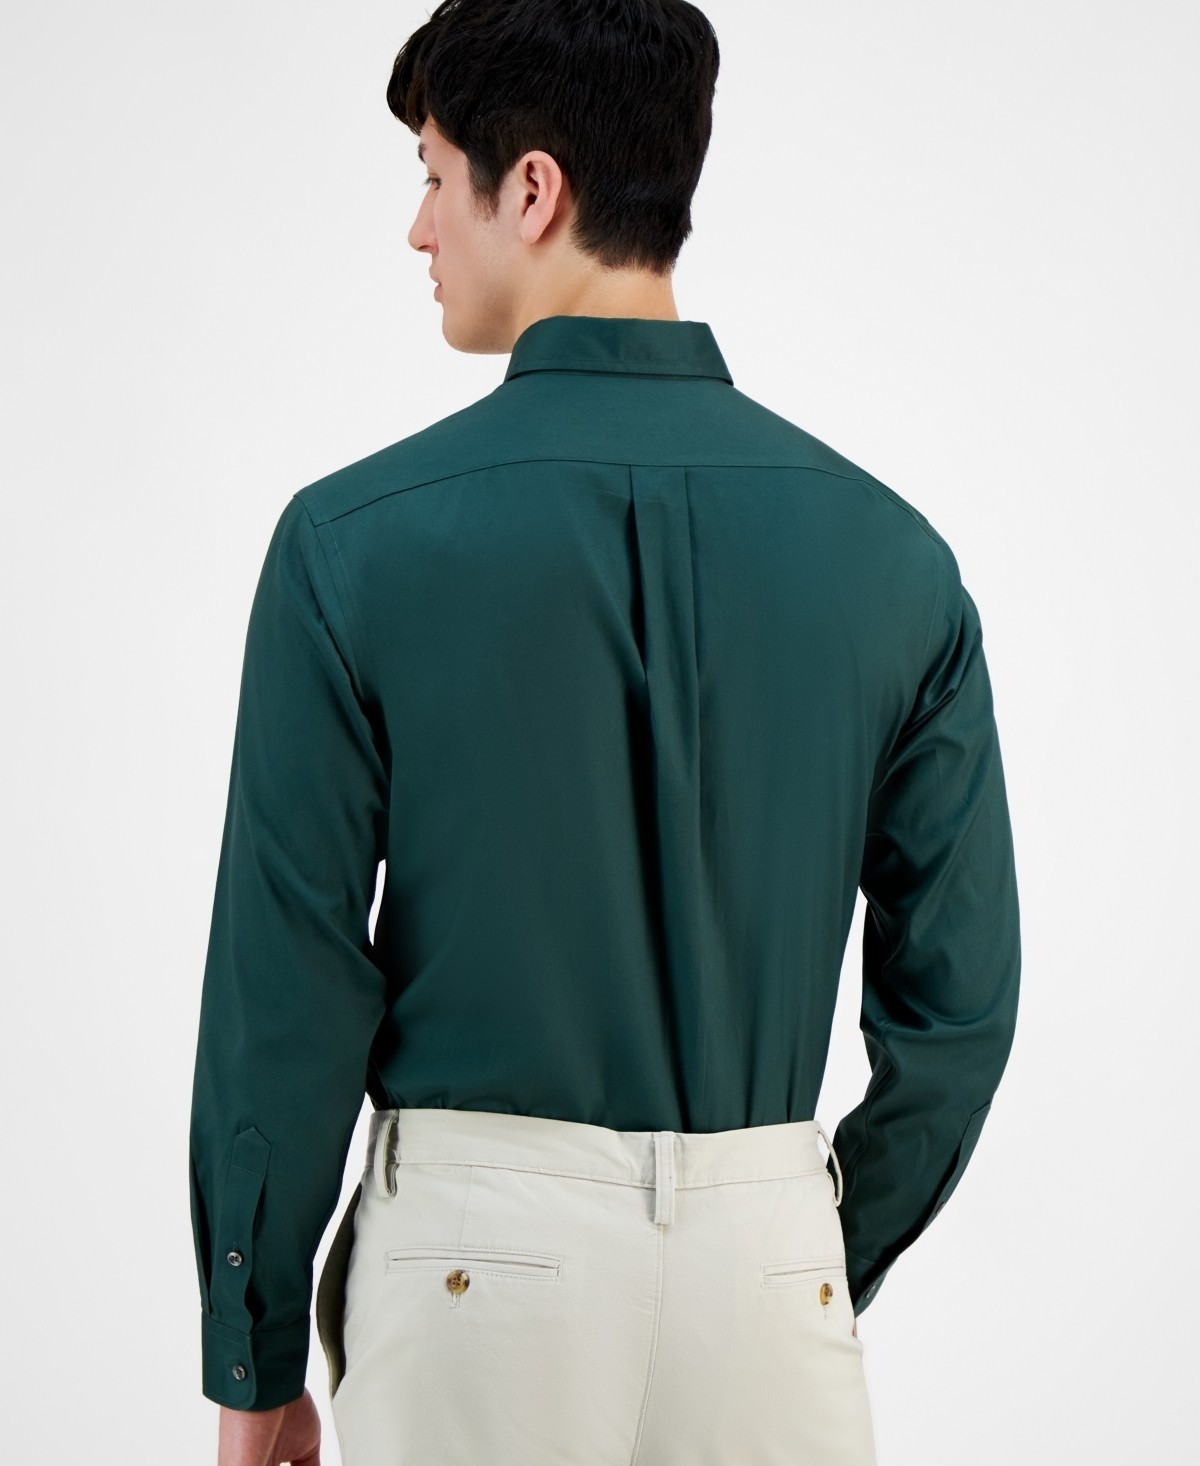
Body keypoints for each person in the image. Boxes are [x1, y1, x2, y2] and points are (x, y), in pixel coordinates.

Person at [188, 2, 1022, 1463]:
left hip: (473, 1272)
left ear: (532, 189)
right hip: (767, 1266)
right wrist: (797, 1248)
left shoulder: (349, 546)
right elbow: (960, 1010)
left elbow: (288, 980)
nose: (416, 228)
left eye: (432, 176)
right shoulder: (897, 562)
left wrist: (253, 1355)